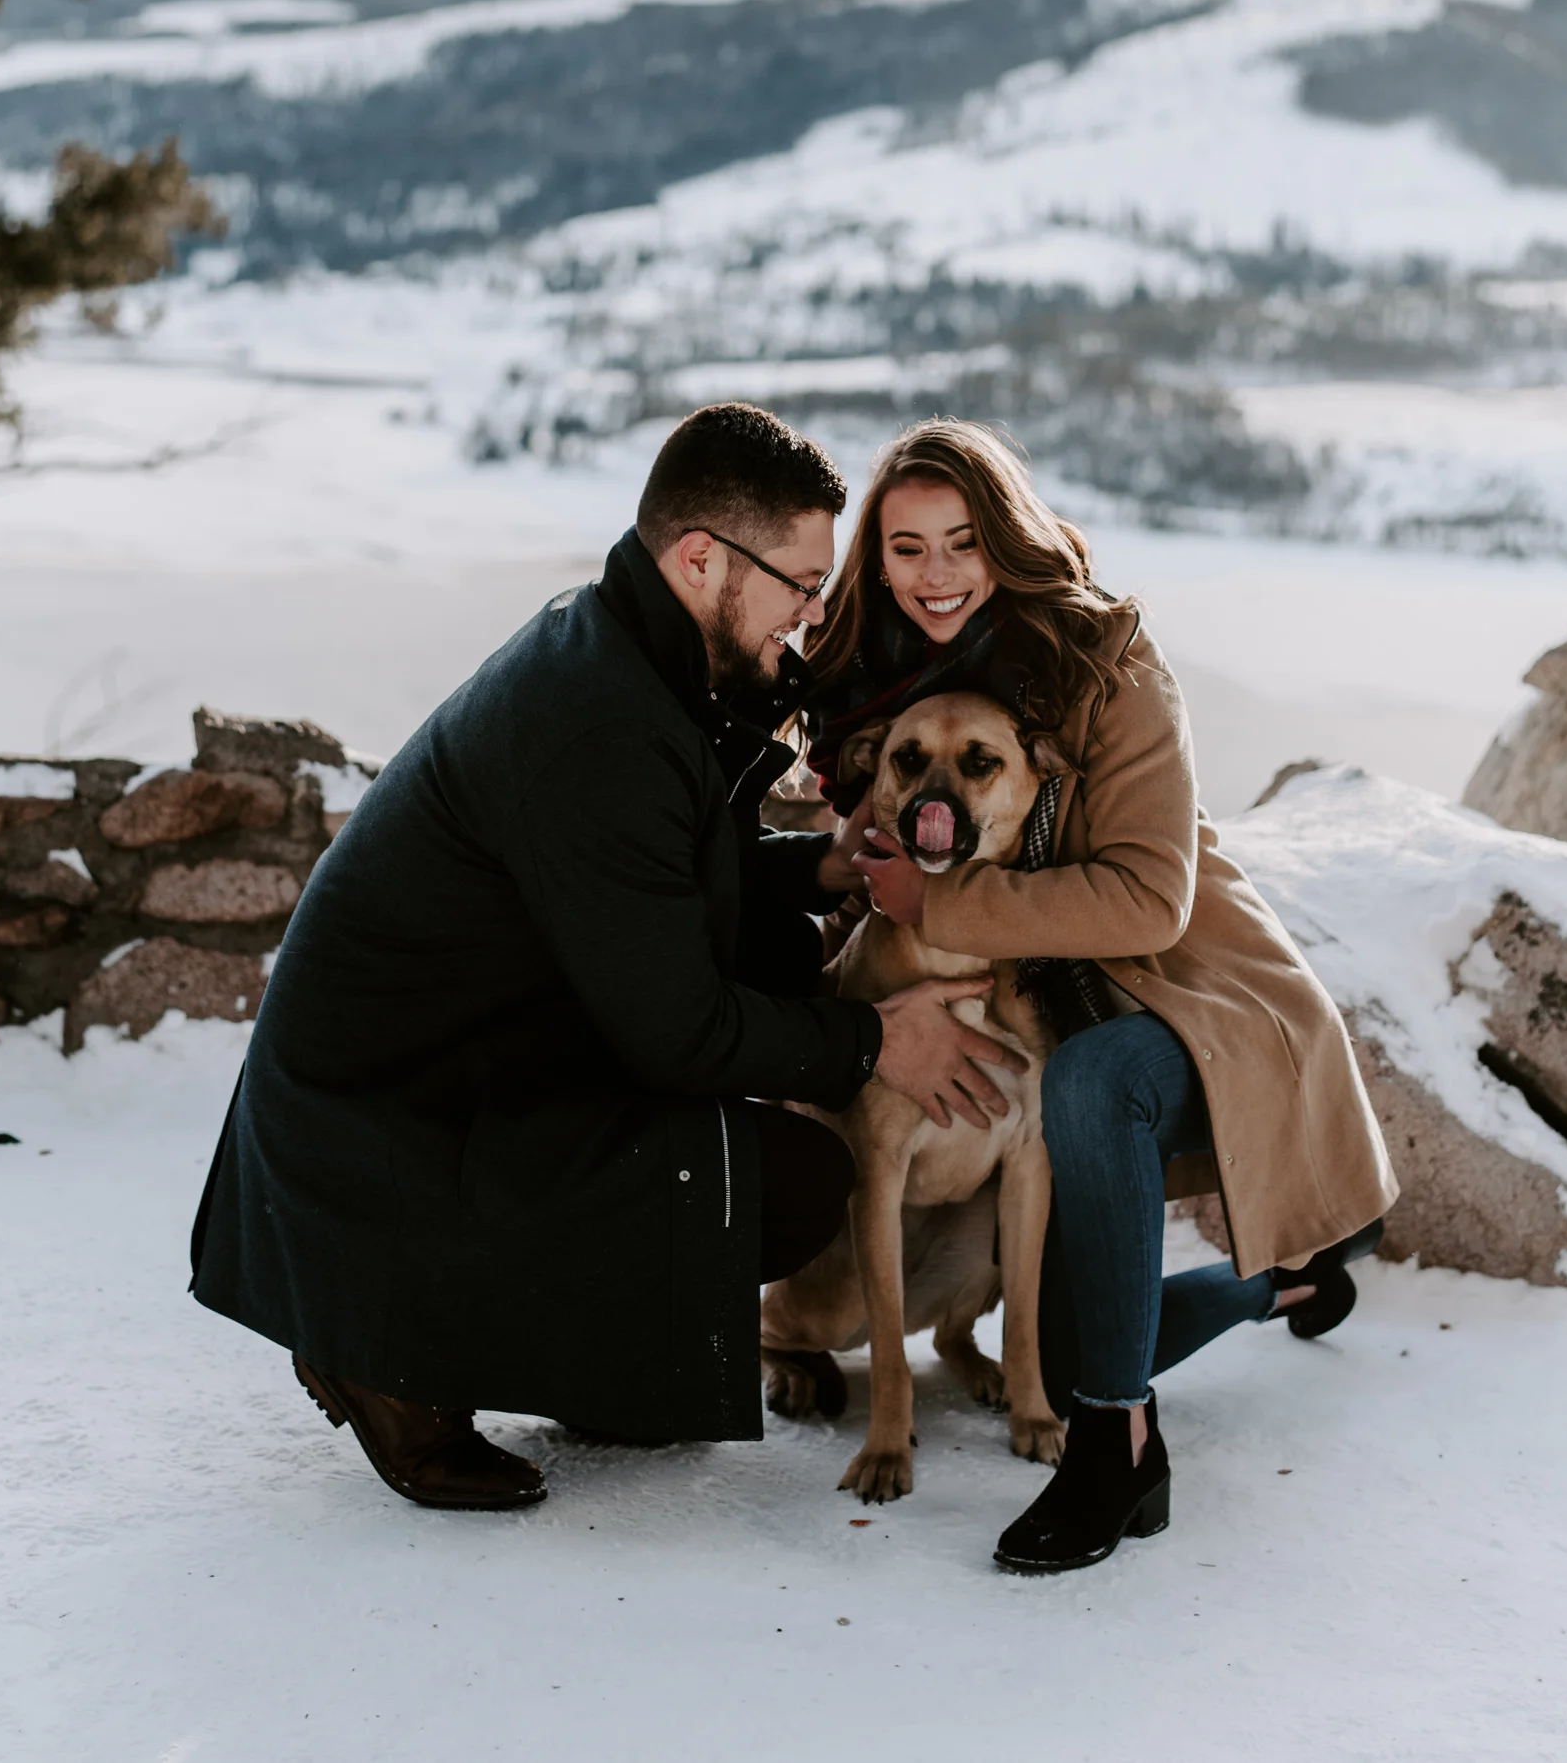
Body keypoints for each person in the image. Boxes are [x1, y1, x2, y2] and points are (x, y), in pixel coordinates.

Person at [190, 402, 1020, 1511]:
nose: (812, 620)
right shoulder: (601, 725)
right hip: (386, 1124)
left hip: (472, 1059)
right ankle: (387, 1353)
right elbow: (678, 1030)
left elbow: (646, 879)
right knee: (774, 1178)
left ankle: (575, 1359)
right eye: (799, 586)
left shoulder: (630, 652)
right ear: (699, 557)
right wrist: (875, 1041)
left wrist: (810, 871)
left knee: (756, 1129)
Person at [804, 418, 1397, 1575]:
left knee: (1089, 1097)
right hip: (1055, 1034)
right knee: (1084, 1333)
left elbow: (1148, 905)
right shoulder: (888, 686)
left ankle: (1117, 1455)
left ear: (1007, 542)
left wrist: (934, 910)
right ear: (875, 560)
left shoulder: (1109, 664)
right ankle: (1283, 1280)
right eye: (906, 547)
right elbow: (870, 858)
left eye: (963, 543)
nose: (935, 576)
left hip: (1185, 1008)